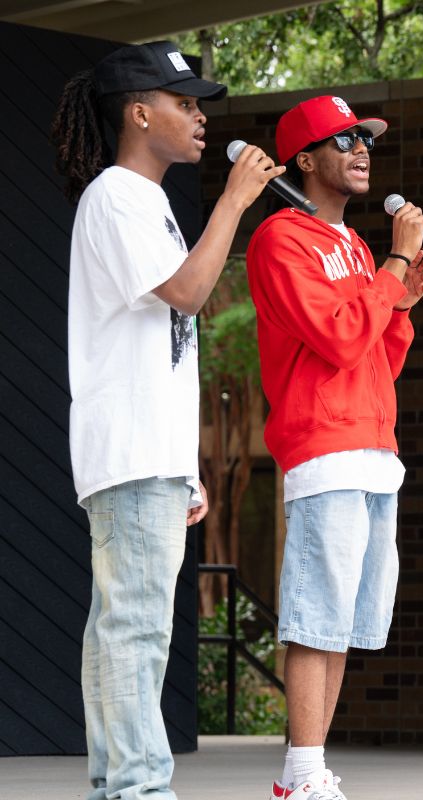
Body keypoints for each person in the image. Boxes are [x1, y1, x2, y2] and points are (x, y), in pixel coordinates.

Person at [51, 40, 281, 800]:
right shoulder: (116, 195)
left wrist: (185, 465)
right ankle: (137, 788)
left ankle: (120, 783)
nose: (199, 117)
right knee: (134, 627)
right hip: (129, 451)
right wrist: (232, 203)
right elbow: (186, 293)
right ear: (139, 112)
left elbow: (165, 338)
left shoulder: (142, 201)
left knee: (125, 624)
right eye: (184, 103)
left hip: (151, 455)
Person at [245, 95, 423, 800]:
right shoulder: (281, 238)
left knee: (347, 621)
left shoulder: (356, 246)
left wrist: (400, 297)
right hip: (322, 442)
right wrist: (393, 266)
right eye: (345, 139)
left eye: (367, 140)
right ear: (305, 158)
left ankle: (311, 769)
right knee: (316, 614)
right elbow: (335, 337)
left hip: (375, 445)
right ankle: (301, 771)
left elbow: (377, 358)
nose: (362, 150)